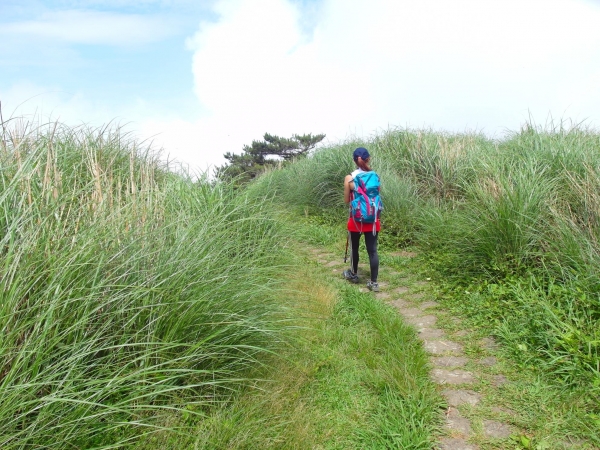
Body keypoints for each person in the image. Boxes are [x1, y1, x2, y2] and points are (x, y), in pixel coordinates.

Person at [343, 147, 380, 292]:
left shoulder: (350, 178)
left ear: (354, 160)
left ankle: (353, 274)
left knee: (354, 248)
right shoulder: (375, 176)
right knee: (372, 251)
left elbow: (347, 200)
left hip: (356, 220)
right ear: (368, 159)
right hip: (373, 219)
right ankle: (373, 282)